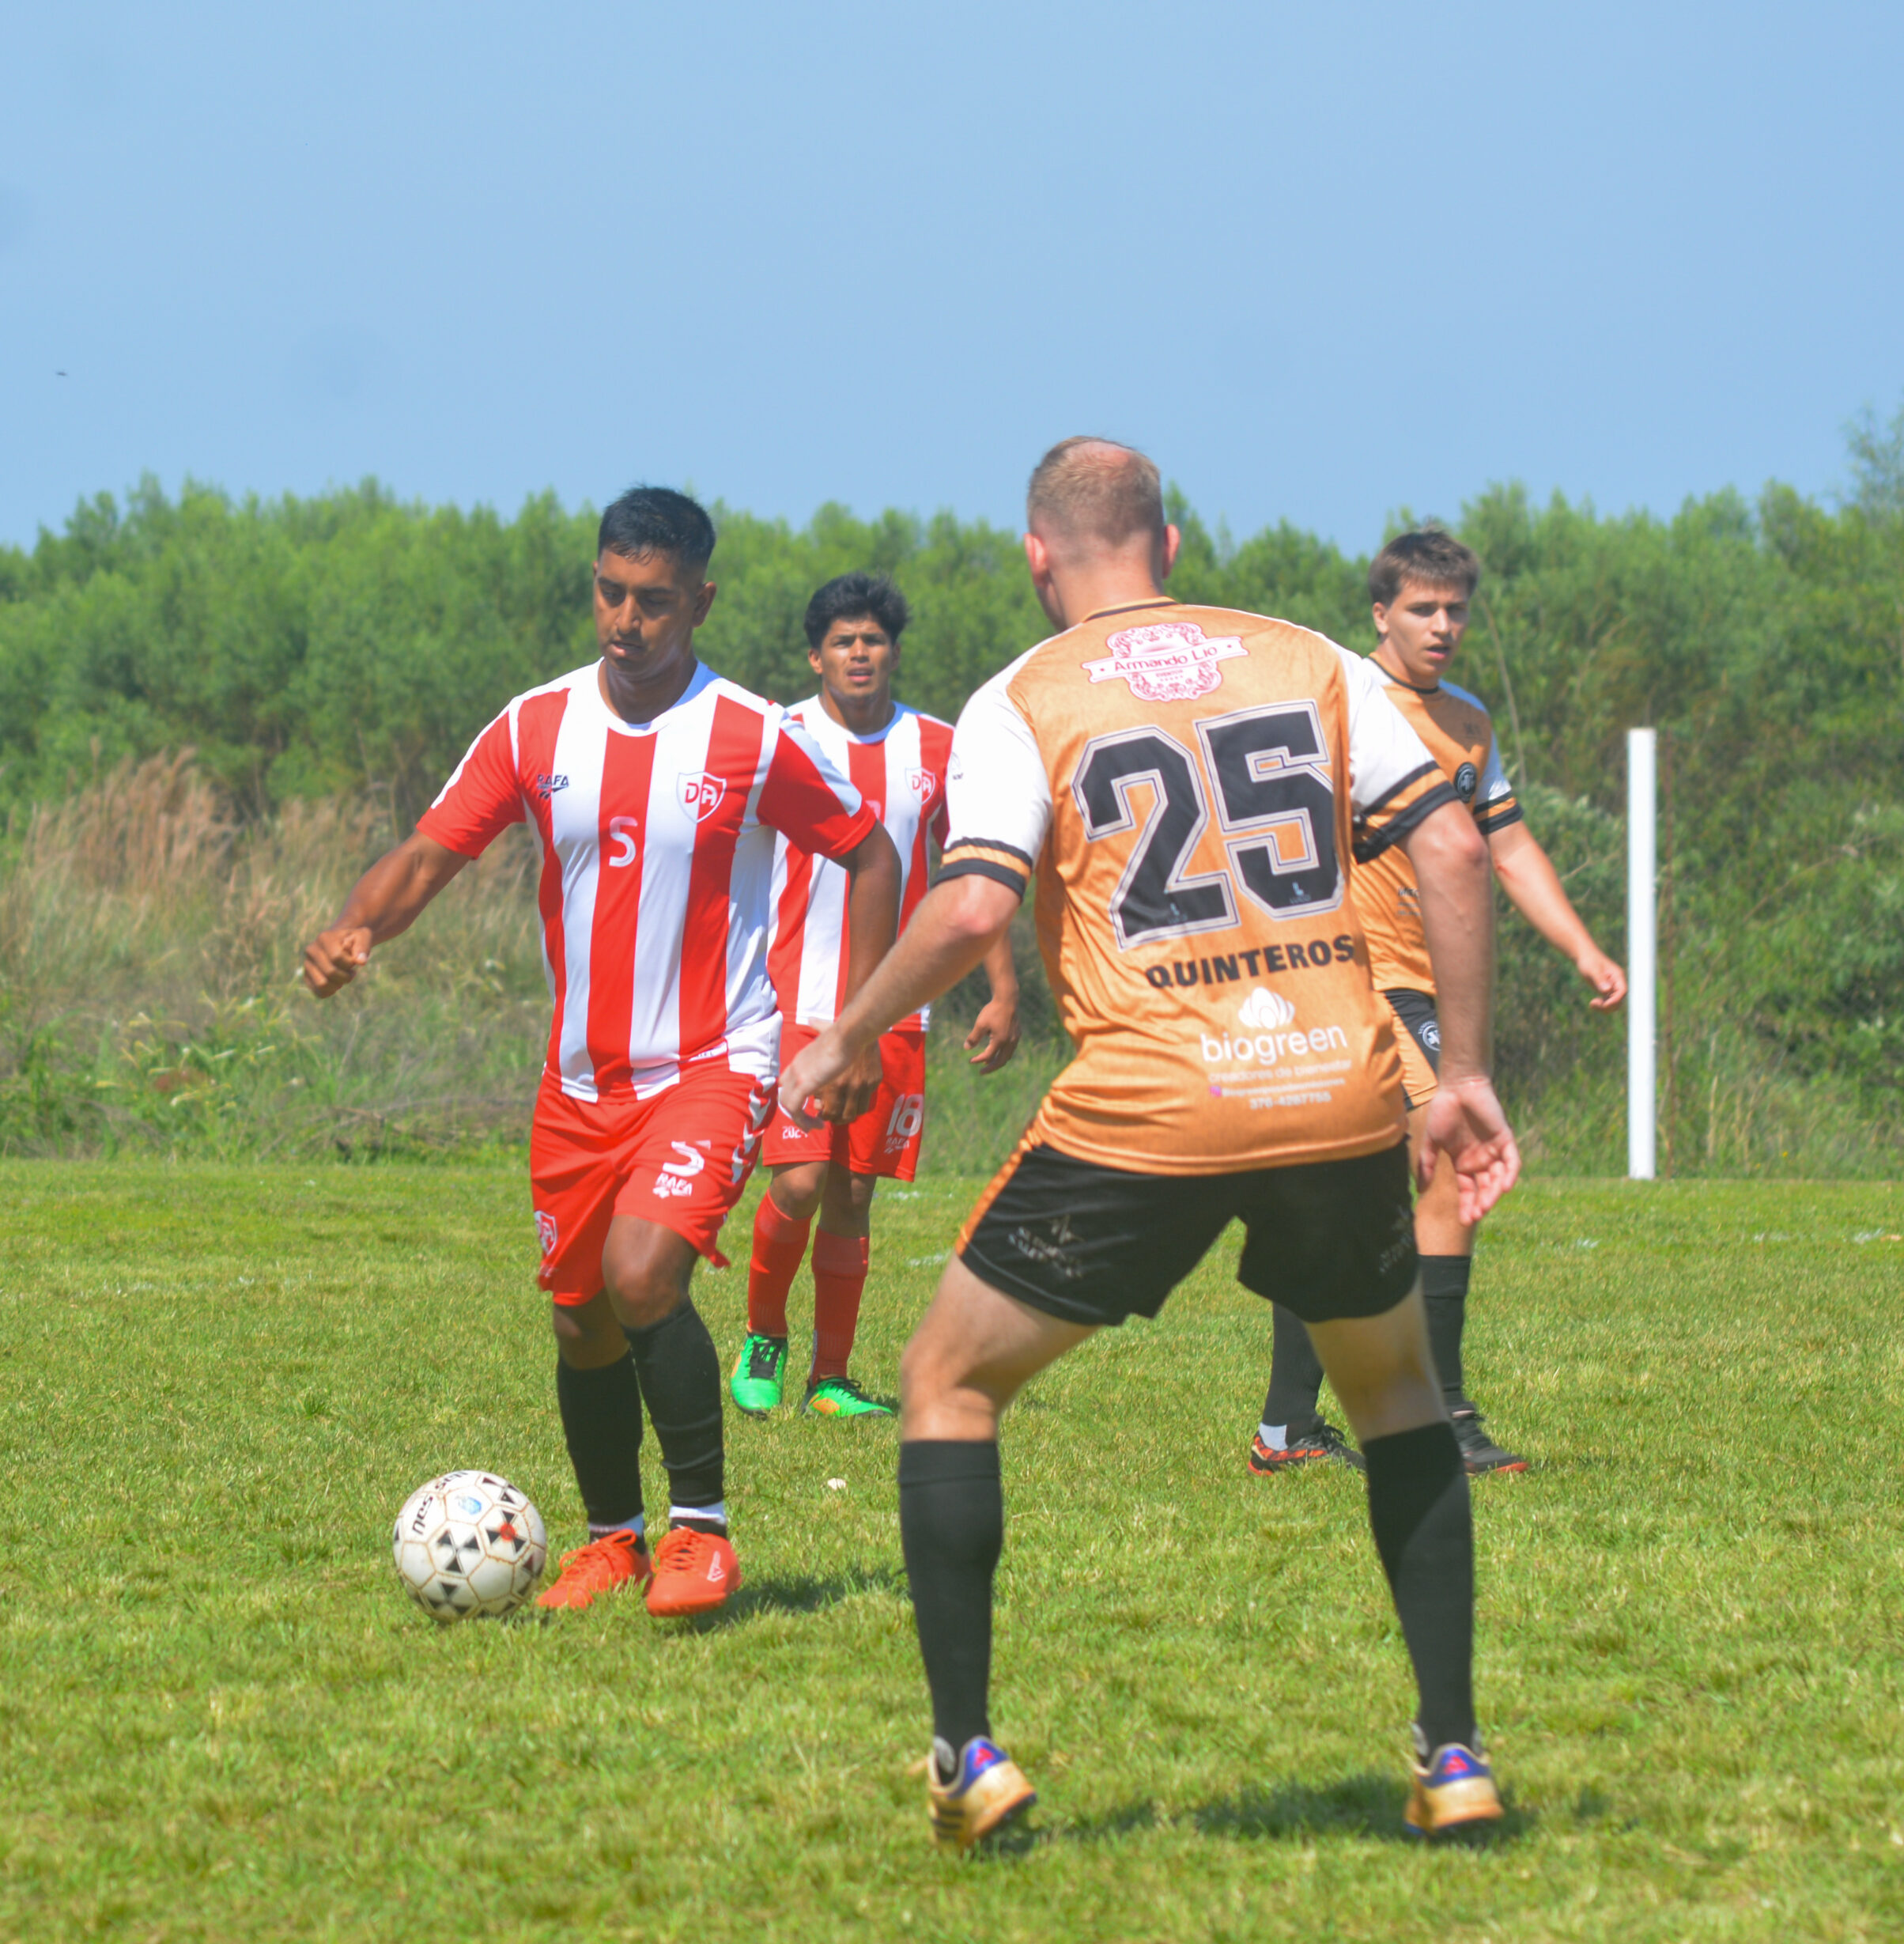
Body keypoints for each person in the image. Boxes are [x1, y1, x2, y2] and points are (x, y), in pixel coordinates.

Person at [784, 438, 1520, 1848]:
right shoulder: (1308, 657)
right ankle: (1455, 1758)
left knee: (944, 1381)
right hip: (1334, 1086)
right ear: (1169, 546)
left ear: (1037, 558)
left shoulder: (1021, 697)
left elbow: (972, 908)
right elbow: (1454, 851)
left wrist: (844, 1036)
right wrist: (1465, 1075)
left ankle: (965, 1756)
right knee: (1396, 1396)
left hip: (1154, 1104)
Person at [303, 487, 900, 1620]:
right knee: (581, 1317)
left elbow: (871, 855)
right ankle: (611, 1542)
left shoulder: (750, 735)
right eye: (611, 593)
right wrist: (355, 928)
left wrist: (857, 1023)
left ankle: (701, 1535)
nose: (627, 620)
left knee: (641, 1275)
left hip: (715, 1062)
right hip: (577, 1083)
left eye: (654, 601)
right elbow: (429, 855)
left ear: (700, 602)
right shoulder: (535, 727)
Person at [1247, 528, 1626, 1479]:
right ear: (1380, 613)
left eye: (1455, 609)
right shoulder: (1338, 705)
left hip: (1426, 982)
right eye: (1422, 608)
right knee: (1454, 1164)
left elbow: (1508, 845)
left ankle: (1284, 1430)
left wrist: (1580, 946)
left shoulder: (1467, 720)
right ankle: (1439, 1416)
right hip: (1349, 977)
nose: (1441, 625)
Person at [734, 572, 1021, 1420]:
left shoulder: (937, 747)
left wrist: (1002, 986)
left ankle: (830, 1378)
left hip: (897, 1012)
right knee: (796, 1183)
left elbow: (974, 871)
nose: (858, 653)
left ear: (892, 652)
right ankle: (763, 1339)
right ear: (814, 656)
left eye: (872, 639)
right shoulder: (779, 736)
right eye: (842, 641)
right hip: (790, 1001)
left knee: (853, 1195)